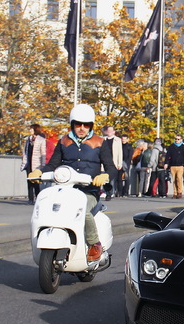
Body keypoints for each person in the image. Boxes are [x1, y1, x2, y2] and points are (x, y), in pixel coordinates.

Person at [28, 104, 117, 263]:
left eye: (86, 125)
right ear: (72, 124)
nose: (82, 128)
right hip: (65, 189)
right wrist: (40, 171)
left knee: (85, 212)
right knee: (49, 207)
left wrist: (104, 176)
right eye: (78, 124)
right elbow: (52, 164)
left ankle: (93, 244)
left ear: (91, 125)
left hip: (89, 191)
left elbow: (112, 167)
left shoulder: (99, 142)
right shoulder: (64, 141)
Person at [21, 123, 46, 204]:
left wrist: (43, 165)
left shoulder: (41, 140)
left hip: (36, 164)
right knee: (29, 181)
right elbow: (25, 152)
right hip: (28, 163)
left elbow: (43, 153)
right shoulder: (28, 140)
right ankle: (30, 198)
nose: (30, 130)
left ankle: (38, 198)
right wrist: (24, 163)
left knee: (36, 181)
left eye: (31, 129)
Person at [164, 134, 184, 199]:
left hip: (180, 166)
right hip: (173, 165)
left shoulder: (183, 147)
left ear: (181, 140)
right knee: (174, 180)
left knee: (179, 178)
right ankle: (175, 193)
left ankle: (179, 192)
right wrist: (166, 163)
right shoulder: (171, 146)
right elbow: (168, 155)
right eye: (176, 139)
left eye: (178, 139)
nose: (177, 140)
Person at [101, 125, 123, 201]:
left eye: (111, 131)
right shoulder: (103, 139)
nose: (109, 132)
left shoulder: (117, 140)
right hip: (104, 162)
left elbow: (120, 152)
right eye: (108, 131)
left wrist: (119, 163)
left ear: (114, 132)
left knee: (111, 179)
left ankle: (110, 193)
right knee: (104, 179)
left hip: (113, 162)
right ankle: (106, 192)